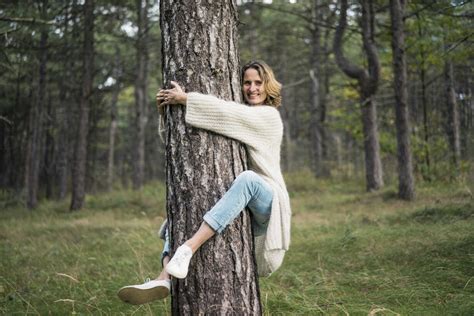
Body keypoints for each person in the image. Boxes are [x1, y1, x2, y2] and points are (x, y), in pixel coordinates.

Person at [118, 60, 291, 305]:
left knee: (248, 179)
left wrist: (186, 99)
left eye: (258, 83)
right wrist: (166, 114)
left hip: (267, 200)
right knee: (184, 213)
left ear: (268, 86)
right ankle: (163, 276)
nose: (252, 88)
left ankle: (188, 248)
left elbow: (228, 113)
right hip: (243, 204)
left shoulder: (268, 116)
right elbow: (182, 145)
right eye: (246, 83)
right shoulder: (238, 121)